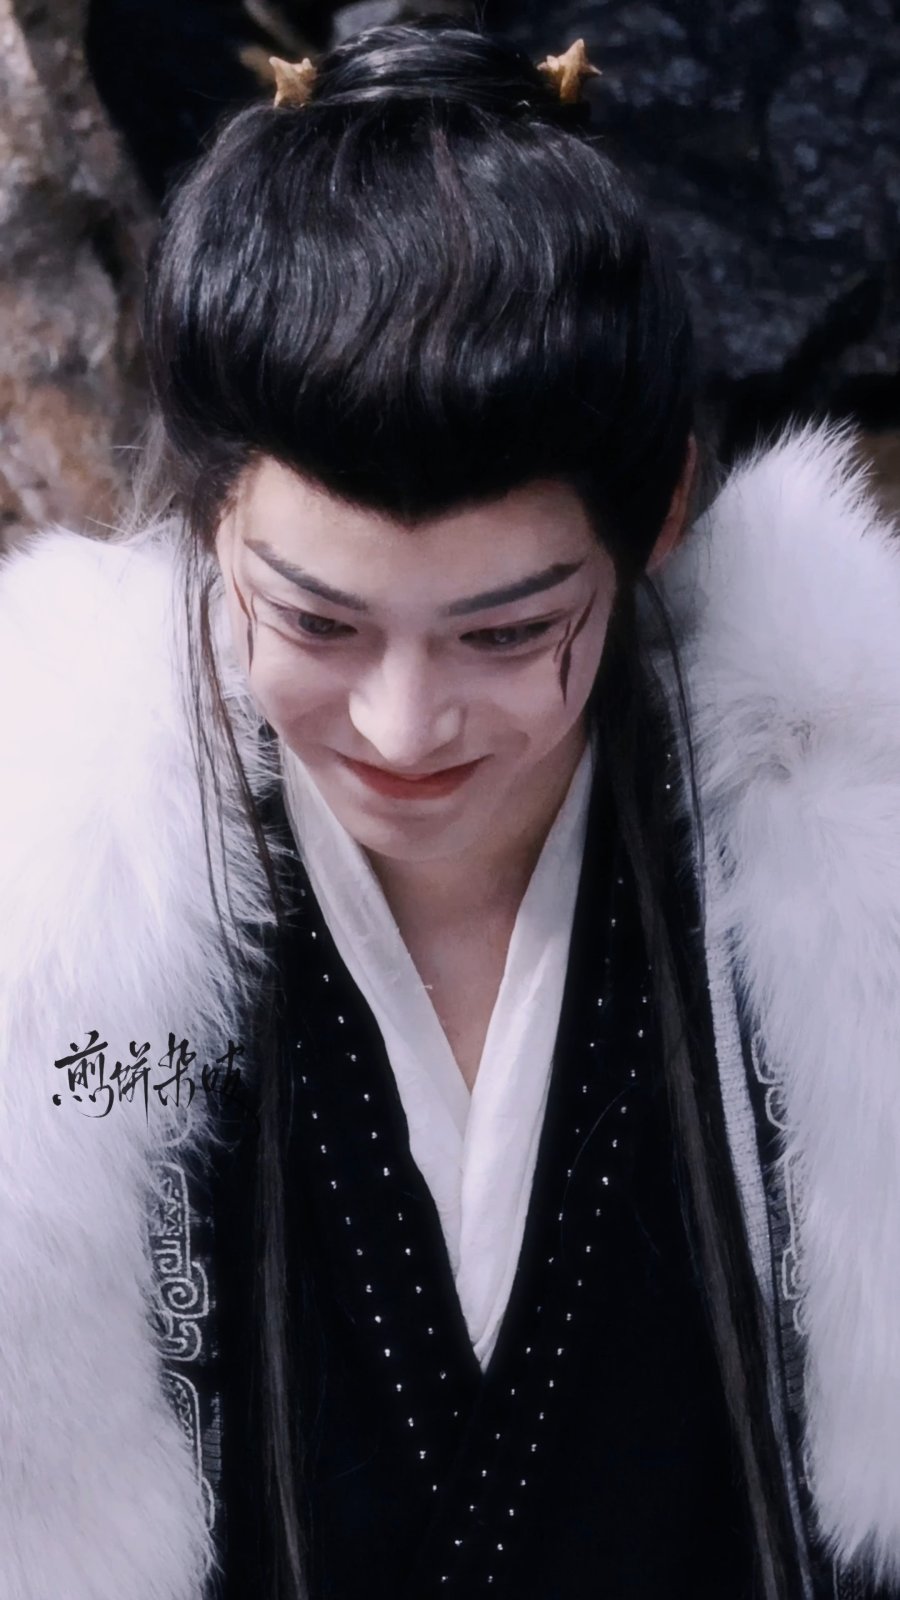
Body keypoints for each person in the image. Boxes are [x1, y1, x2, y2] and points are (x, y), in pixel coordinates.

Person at [2, 17, 900, 1600]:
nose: (403, 726)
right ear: (208, 521)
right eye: (317, 621)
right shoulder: (72, 968)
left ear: (659, 521)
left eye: (506, 631)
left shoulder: (835, 890)